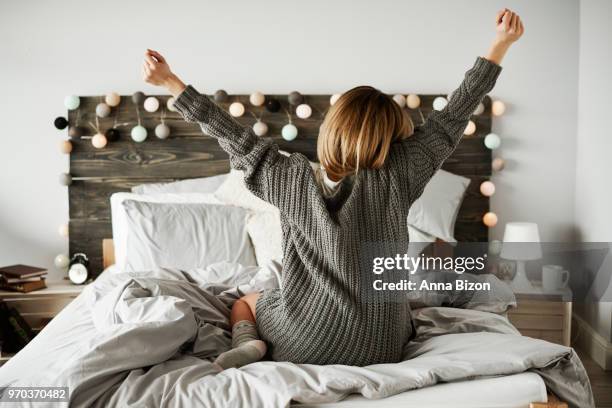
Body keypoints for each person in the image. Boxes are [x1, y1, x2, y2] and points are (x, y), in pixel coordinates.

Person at [142, 8, 524, 370]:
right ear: (393, 141)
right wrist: (500, 44)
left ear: (332, 130)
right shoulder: (400, 175)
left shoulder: (287, 177)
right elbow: (451, 118)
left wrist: (171, 82)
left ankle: (247, 343)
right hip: (383, 344)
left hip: (303, 340)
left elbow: (232, 135)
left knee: (246, 301)